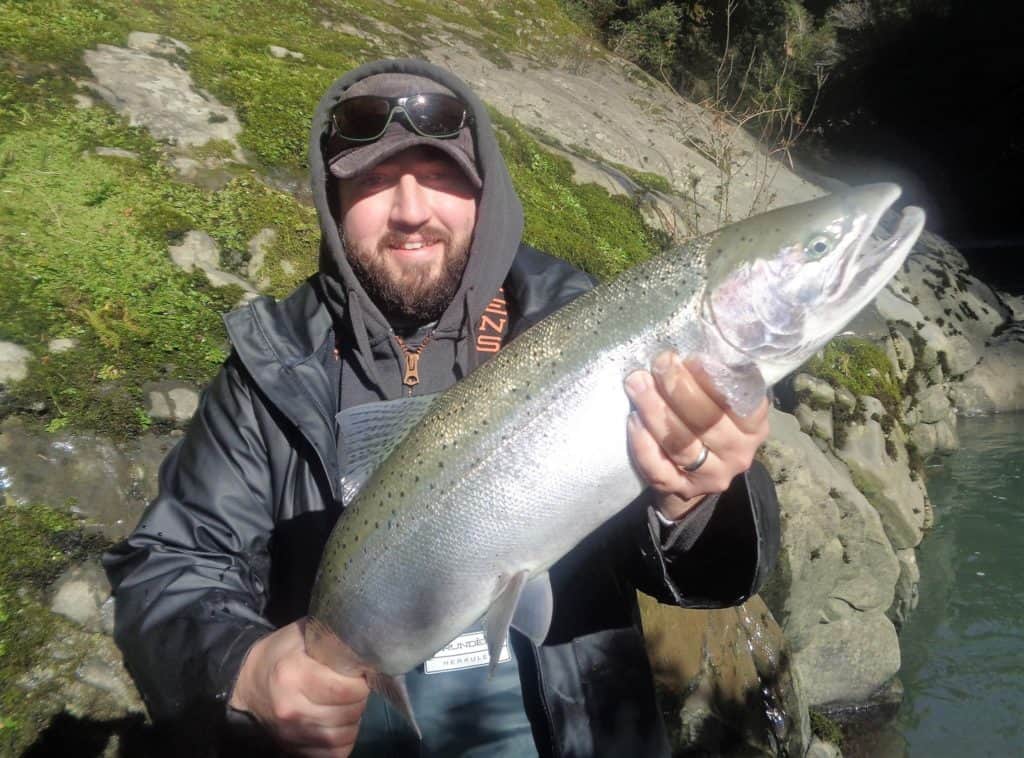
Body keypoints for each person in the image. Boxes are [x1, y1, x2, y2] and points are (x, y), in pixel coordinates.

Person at [104, 58, 779, 757]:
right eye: (372, 181)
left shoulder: (582, 327)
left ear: (487, 195)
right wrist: (239, 672)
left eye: (442, 176)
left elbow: (713, 581)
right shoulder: (270, 368)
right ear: (332, 206)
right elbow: (167, 563)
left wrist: (700, 502)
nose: (411, 210)